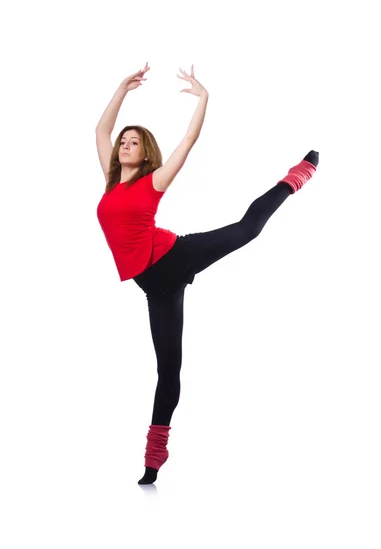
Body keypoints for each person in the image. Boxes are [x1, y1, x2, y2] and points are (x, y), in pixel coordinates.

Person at [96, 62, 319, 485]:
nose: (124, 145)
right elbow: (98, 133)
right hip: (155, 288)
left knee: (247, 229)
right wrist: (122, 89)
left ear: (145, 154)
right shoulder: (110, 186)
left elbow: (188, 141)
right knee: (169, 370)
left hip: (175, 257)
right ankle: (153, 461)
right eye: (123, 140)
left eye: (134, 142)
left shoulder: (154, 181)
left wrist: (204, 98)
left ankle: (298, 175)